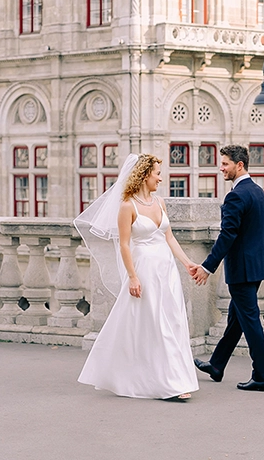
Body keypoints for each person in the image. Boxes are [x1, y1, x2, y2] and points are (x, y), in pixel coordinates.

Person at [76, 153, 200, 402]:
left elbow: (170, 238)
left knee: (172, 322)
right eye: (157, 173)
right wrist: (132, 277)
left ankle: (173, 378)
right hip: (144, 269)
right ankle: (169, 384)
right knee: (154, 325)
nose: (160, 178)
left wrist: (187, 263)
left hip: (167, 271)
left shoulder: (160, 202)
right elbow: (123, 245)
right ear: (144, 175)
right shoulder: (127, 206)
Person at [191, 144, 264, 392]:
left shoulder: (236, 196)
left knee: (250, 321)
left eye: (225, 164)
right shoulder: (260, 193)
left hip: (242, 270)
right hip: (256, 269)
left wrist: (207, 267)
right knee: (237, 319)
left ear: (239, 165)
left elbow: (227, 235)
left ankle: (262, 376)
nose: (221, 168)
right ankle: (217, 365)